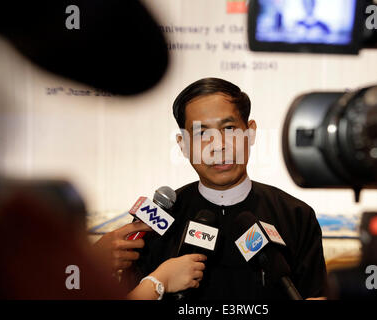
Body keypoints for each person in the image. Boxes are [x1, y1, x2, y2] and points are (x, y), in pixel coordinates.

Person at [129, 77, 328, 300]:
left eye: (229, 128)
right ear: (183, 145)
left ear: (250, 132)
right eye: (201, 133)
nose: (219, 145)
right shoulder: (154, 222)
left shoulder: (296, 215)